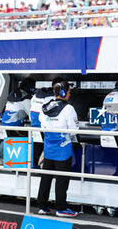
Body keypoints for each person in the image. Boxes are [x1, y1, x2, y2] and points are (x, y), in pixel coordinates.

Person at [37, 81, 78, 217]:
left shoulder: (45, 106)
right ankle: (61, 208)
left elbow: (42, 125)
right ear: (63, 92)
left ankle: (43, 206)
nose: (69, 93)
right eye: (68, 91)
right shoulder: (69, 108)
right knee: (62, 179)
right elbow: (74, 130)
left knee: (46, 178)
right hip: (63, 149)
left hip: (48, 148)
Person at [30, 77, 64, 168]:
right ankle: (43, 165)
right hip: (44, 124)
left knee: (37, 144)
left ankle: (35, 165)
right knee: (44, 145)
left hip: (34, 124)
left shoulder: (37, 94)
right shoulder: (52, 97)